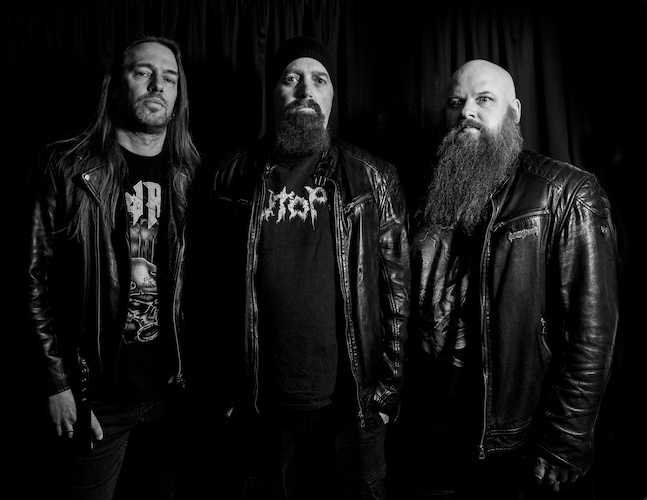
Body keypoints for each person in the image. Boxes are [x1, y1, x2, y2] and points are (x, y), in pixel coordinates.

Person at [188, 35, 410, 500]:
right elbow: (204, 290)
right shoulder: (227, 175)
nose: (306, 90)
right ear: (273, 93)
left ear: (332, 97)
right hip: (257, 409)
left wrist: (385, 394)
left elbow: (396, 294)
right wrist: (221, 393)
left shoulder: (373, 177)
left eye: (319, 80)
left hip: (350, 408)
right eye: (291, 79)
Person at [389, 59, 619, 499]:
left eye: (484, 99)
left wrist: (564, 438)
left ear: (514, 112)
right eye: (455, 102)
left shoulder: (567, 193)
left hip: (516, 440)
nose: (466, 111)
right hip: (431, 433)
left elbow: (593, 333)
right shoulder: (427, 195)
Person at [25, 34, 200, 499]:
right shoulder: (67, 168)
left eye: (169, 78)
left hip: (173, 397)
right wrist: (57, 384)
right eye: (143, 72)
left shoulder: (191, 175)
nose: (157, 86)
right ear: (117, 85)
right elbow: (31, 280)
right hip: (96, 398)